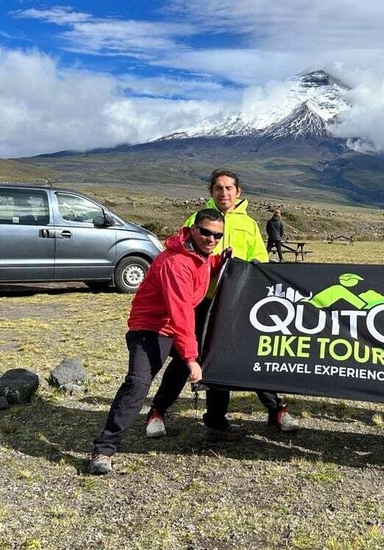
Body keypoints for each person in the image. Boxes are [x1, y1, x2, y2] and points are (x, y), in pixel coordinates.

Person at [146, 168, 299, 441]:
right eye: (218, 188)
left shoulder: (249, 225)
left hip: (237, 303)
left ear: (238, 192)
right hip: (202, 302)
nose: (224, 193)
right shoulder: (196, 219)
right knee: (185, 358)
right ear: (211, 192)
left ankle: (270, 411)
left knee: (249, 355)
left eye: (229, 188)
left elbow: (260, 261)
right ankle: (157, 411)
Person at [89, 209, 226, 475]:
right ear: (193, 229)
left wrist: (222, 259)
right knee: (137, 384)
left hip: (170, 329)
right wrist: (190, 358)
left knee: (185, 365)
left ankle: (162, 412)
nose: (211, 239)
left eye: (217, 235)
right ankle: (104, 449)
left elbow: (207, 264)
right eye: (207, 232)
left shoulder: (201, 256)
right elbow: (181, 312)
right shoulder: (176, 263)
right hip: (149, 329)